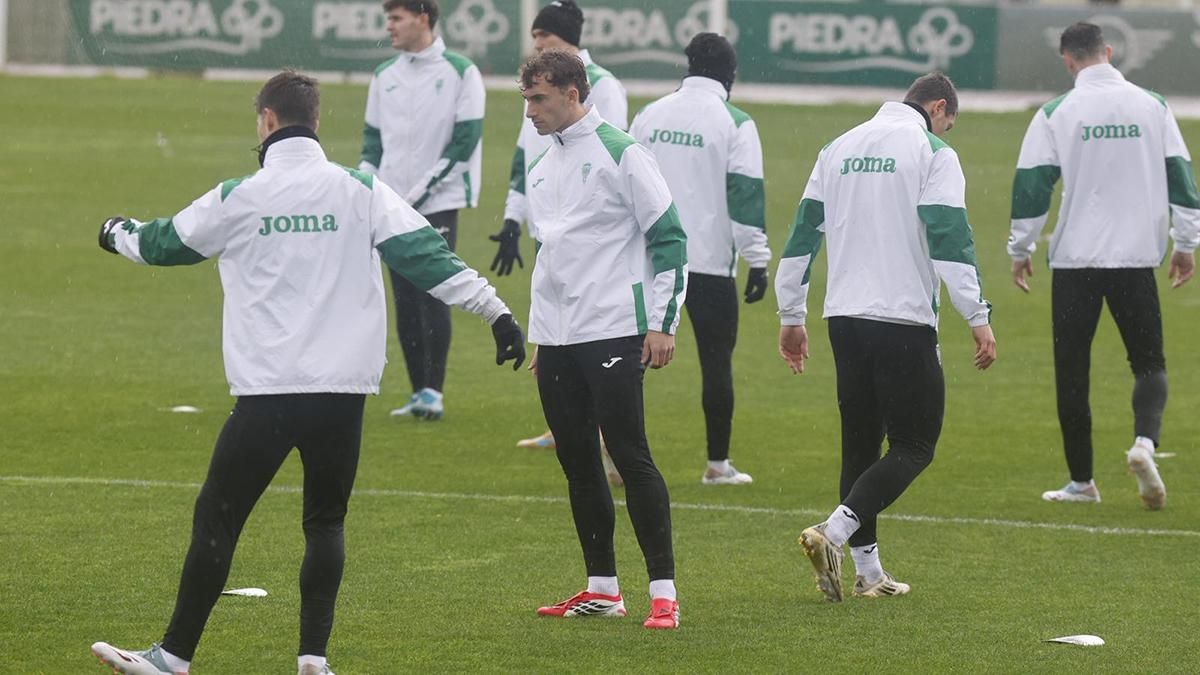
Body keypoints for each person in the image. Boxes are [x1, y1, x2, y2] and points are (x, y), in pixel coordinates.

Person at [90, 71, 525, 675]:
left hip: (268, 392)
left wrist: (117, 233)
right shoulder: (360, 189)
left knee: (219, 516)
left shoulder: (240, 195)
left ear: (266, 120)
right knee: (325, 522)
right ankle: (313, 660)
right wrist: (496, 311)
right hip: (342, 393)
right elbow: (427, 256)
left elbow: (164, 244)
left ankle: (174, 657)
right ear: (316, 122)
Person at [777, 73, 996, 602]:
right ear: (938, 108)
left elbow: (804, 232)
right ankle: (832, 532)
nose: (946, 131)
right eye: (948, 123)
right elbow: (949, 235)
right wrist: (977, 314)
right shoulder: (933, 152)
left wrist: (791, 312)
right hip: (902, 317)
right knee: (914, 445)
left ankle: (869, 574)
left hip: (844, 318)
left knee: (860, 442)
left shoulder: (837, 147)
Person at [519, 51, 686, 629]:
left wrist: (663, 323)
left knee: (630, 455)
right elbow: (552, 256)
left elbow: (670, 238)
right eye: (526, 99)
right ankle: (603, 590)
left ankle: (663, 593)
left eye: (539, 99)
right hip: (557, 338)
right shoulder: (542, 165)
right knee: (577, 462)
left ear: (572, 92)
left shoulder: (624, 152)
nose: (530, 111)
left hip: (614, 328)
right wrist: (543, 336)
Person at [1009, 22, 1199, 510]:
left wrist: (1020, 249)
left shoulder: (1056, 112)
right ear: (1109, 52)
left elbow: (1032, 185)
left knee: (1072, 371)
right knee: (1148, 362)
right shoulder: (1152, 105)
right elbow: (1181, 177)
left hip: (1076, 260)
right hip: (1135, 258)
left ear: (1067, 60)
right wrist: (1186, 243)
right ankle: (1144, 443)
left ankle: (1082, 482)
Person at [629, 33, 771, 486]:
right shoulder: (736, 123)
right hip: (708, 262)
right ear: (731, 74)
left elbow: (624, 185)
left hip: (650, 257)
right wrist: (758, 260)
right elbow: (745, 198)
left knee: (629, 360)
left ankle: (617, 451)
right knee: (716, 363)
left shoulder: (649, 114)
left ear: (688, 65)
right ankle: (717, 464)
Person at [493, 0, 630, 452]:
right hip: (547, 220)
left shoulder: (604, 85)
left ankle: (609, 432)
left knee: (594, 327)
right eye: (534, 37)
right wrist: (513, 217)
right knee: (555, 320)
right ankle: (566, 423)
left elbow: (613, 153)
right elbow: (524, 154)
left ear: (567, 39)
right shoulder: (537, 87)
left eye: (544, 37)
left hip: (586, 228)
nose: (536, 44)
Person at [359, 0, 486, 420]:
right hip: (391, 205)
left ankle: (434, 392)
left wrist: (420, 190)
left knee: (434, 293)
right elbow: (373, 142)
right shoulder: (384, 75)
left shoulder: (461, 71)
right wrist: (365, 188)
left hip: (438, 203)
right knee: (404, 299)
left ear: (423, 19)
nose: (389, 26)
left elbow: (465, 141)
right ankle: (418, 394)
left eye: (396, 18)